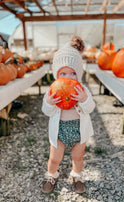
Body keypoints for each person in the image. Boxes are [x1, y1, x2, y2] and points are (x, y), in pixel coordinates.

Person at [41, 35, 96, 194]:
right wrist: (50, 102)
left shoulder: (82, 90)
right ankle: (51, 175)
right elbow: (46, 111)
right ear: (56, 75)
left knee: (78, 157)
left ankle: (77, 176)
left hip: (79, 130)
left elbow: (90, 108)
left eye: (72, 73)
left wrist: (84, 100)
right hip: (60, 131)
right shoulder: (52, 91)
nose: (68, 78)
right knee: (54, 158)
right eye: (63, 74)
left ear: (79, 73)